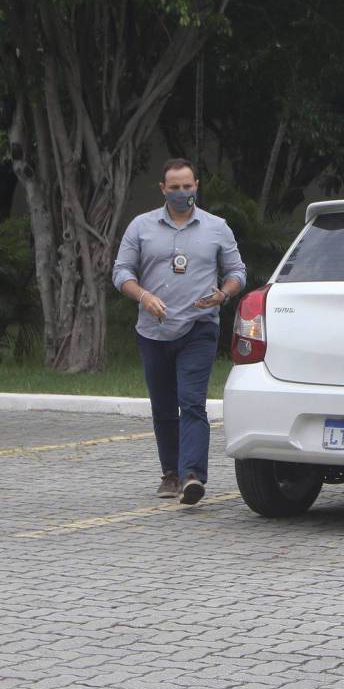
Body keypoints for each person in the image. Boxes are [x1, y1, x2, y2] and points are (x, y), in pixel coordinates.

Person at [112, 158, 246, 505]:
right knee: (164, 407)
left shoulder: (217, 227)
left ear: (196, 186)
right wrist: (144, 296)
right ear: (163, 189)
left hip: (199, 328)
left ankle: (192, 476)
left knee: (191, 402)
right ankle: (170, 473)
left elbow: (237, 272)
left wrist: (224, 294)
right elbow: (121, 272)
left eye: (188, 187)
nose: (182, 193)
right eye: (175, 188)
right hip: (153, 331)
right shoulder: (141, 226)